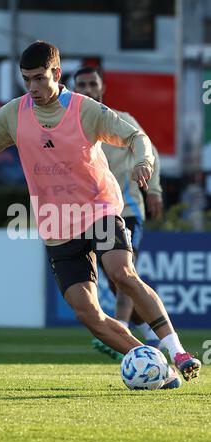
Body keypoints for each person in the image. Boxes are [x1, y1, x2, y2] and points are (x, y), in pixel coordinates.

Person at [0, 41, 201, 387]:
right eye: (26, 80)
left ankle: (177, 351)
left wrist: (144, 161)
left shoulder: (84, 111)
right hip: (56, 225)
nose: (33, 88)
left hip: (99, 210)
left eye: (39, 78)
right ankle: (156, 366)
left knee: (122, 272)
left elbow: (136, 137)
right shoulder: (13, 114)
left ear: (56, 73)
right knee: (88, 313)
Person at [74, 66, 163, 358]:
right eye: (82, 85)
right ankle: (153, 336)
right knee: (116, 282)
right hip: (93, 215)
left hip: (128, 209)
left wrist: (154, 190)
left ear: (102, 88)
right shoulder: (70, 127)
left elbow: (148, 148)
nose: (87, 89)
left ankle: (121, 327)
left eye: (92, 84)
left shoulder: (121, 121)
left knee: (125, 272)